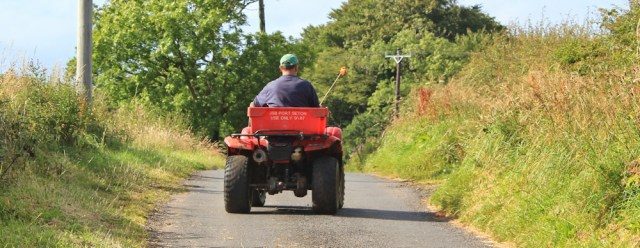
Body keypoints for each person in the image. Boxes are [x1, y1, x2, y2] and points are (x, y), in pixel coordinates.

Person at [252, 54, 320, 107]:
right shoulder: (306, 86)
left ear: (280, 68)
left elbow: (254, 105)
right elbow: (316, 109)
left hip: (274, 124)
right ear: (296, 67)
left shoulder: (270, 86)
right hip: (302, 125)